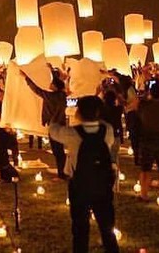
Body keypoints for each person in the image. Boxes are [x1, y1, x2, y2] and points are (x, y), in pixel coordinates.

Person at [49, 96, 120, 253]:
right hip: (102, 186)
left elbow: (53, 130)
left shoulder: (72, 133)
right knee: (107, 228)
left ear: (79, 113)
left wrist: (57, 113)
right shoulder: (107, 130)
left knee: (80, 230)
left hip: (79, 186)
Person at [22, 71, 68, 179]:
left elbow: (37, 90)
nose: (49, 85)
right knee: (59, 150)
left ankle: (63, 173)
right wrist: (50, 69)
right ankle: (63, 172)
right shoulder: (62, 95)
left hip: (54, 126)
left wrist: (27, 77)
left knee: (57, 151)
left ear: (55, 87)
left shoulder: (51, 96)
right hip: (61, 124)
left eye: (52, 84)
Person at [134, 81, 159, 201]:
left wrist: (146, 95)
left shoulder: (144, 105)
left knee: (145, 169)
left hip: (146, 139)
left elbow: (136, 107)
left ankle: (144, 194)